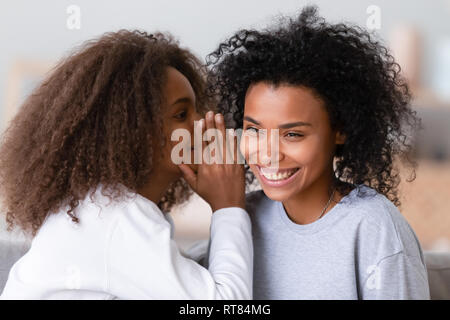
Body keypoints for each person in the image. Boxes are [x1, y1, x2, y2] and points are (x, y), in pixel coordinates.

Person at [0, 30, 251, 299]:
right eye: (181, 114)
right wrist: (228, 207)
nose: (201, 122)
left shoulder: (102, 208)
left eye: (197, 109)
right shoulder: (112, 217)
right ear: (132, 130)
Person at [206, 6, 430, 299]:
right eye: (254, 130)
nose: (268, 153)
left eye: (293, 134)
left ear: (340, 130)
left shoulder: (374, 230)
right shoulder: (240, 219)